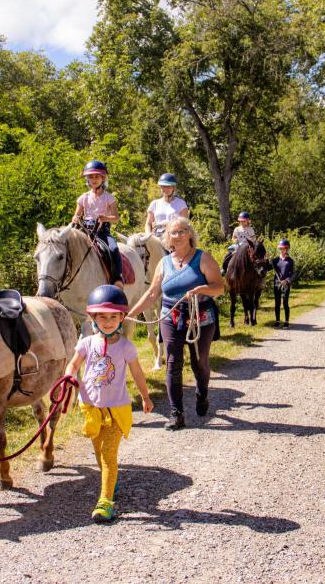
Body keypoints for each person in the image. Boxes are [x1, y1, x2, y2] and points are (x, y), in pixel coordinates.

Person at [64, 285, 154, 523]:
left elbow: (137, 374)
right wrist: (71, 375)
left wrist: (145, 396)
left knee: (107, 453)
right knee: (97, 451)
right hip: (92, 408)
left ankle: (105, 501)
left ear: (122, 318)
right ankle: (109, 481)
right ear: (92, 317)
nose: (107, 321)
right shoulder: (86, 343)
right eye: (102, 316)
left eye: (113, 316)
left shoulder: (126, 347)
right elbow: (73, 365)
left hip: (116, 409)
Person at [126, 216, 223, 431]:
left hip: (200, 317)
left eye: (181, 231)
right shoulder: (164, 263)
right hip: (170, 315)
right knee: (172, 362)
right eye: (173, 232)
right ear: (167, 237)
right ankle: (176, 414)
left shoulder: (203, 259)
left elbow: (219, 287)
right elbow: (152, 293)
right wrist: (129, 314)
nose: (177, 236)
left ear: (189, 234)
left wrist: (202, 290)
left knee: (200, 362)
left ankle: (202, 393)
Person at [71, 159, 123, 287]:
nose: (94, 180)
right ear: (87, 180)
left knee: (113, 248)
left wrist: (105, 218)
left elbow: (116, 217)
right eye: (91, 177)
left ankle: (117, 278)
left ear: (103, 178)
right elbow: (75, 215)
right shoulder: (83, 197)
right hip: (85, 230)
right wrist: (76, 218)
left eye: (97, 177)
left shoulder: (109, 198)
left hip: (102, 231)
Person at [145, 173, 190, 242]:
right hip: (157, 235)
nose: (165, 189)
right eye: (163, 186)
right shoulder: (154, 204)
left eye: (168, 186)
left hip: (174, 235)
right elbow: (148, 223)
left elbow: (185, 224)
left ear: (173, 188)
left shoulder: (181, 203)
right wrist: (149, 235)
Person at [270, 239, 296, 327]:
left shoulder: (290, 261)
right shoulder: (275, 260)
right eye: (280, 248)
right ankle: (277, 321)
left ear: (287, 249)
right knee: (277, 303)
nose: (282, 250)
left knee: (285, 303)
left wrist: (287, 280)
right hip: (277, 283)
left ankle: (286, 322)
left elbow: (293, 274)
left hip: (286, 284)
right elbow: (267, 267)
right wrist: (266, 259)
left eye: (284, 248)